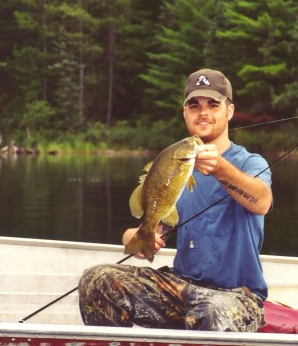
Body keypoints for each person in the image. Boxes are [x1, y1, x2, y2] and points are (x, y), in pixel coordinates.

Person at [78, 69, 273, 332]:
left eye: (212, 105)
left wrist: (220, 169)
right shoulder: (176, 165)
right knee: (97, 280)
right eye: (194, 106)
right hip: (181, 287)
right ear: (185, 113)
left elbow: (261, 202)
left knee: (211, 313)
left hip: (237, 296)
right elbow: (159, 223)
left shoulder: (250, 162)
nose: (202, 112)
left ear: (229, 111)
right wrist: (136, 237)